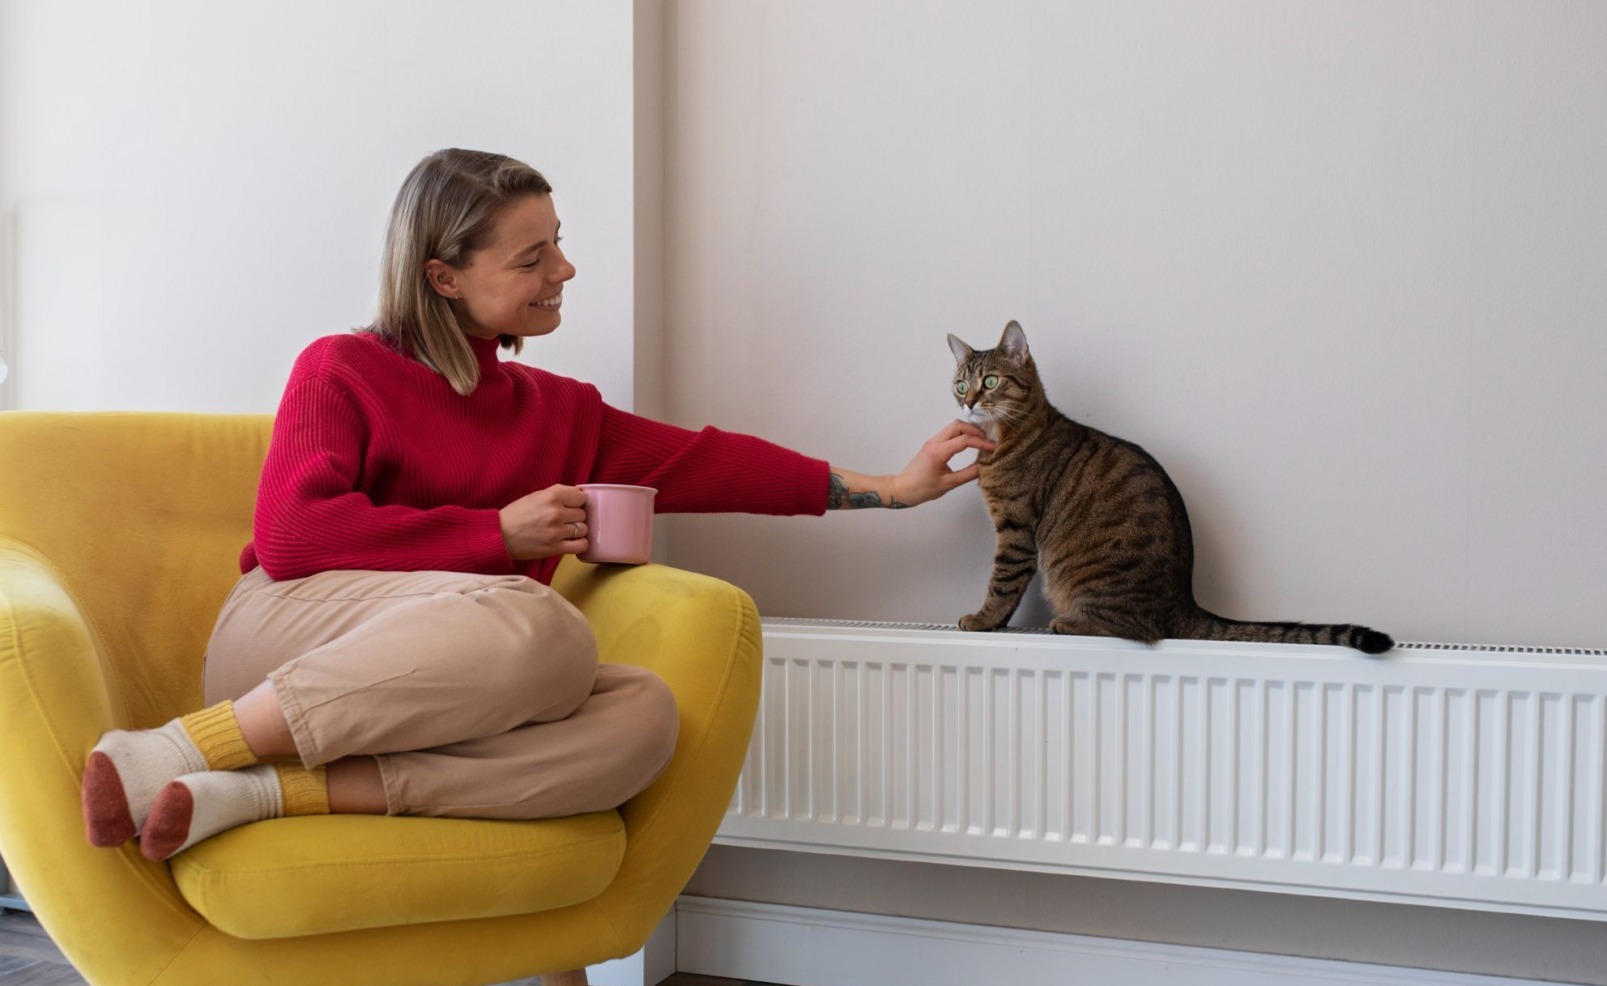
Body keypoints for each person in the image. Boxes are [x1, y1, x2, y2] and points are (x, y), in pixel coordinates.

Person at [80, 148, 994, 861]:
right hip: (285, 638)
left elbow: (704, 462)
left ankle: (263, 792)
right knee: (543, 624)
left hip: (449, 677)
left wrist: (891, 489)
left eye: (558, 239)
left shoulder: (557, 411)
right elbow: (291, 537)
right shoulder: (342, 369)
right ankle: (180, 749)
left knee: (642, 718)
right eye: (533, 255)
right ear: (444, 277)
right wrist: (495, 534)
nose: (565, 267)